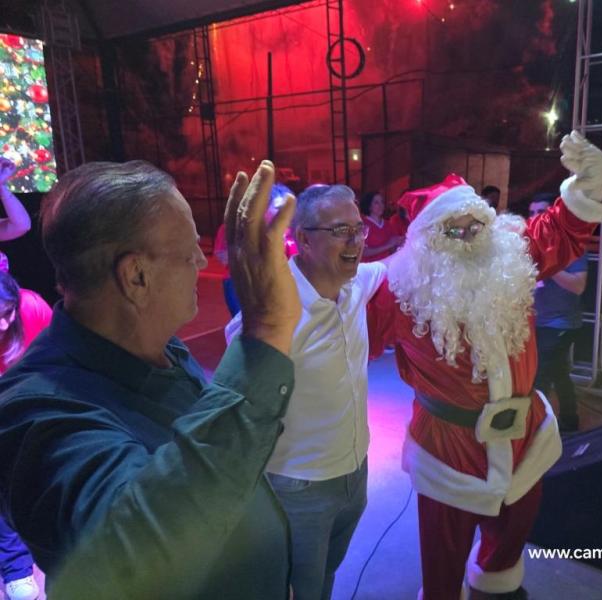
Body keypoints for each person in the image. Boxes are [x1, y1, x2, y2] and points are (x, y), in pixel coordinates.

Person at [0, 159, 301, 599]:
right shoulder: (32, 410)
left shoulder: (161, 347)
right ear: (135, 276)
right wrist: (268, 329)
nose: (201, 259)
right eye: (187, 249)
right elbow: (136, 557)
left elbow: (208, 465)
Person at [368, 131, 602, 599]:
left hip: (525, 433)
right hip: (450, 446)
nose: (468, 239)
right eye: (454, 229)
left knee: (513, 529)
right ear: (427, 240)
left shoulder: (512, 255)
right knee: (443, 550)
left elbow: (561, 230)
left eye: (476, 227)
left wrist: (590, 185)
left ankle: (495, 584)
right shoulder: (399, 288)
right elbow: (339, 331)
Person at [226, 184, 387, 600]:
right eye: (340, 231)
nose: (355, 242)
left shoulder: (354, 283)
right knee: (297, 589)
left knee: (325, 579)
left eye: (358, 229)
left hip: (355, 472)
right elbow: (234, 388)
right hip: (300, 487)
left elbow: (396, 266)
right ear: (303, 239)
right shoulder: (276, 309)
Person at [0, 271, 52, 600]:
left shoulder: (31, 305)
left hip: (33, 407)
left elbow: (59, 358)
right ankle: (15, 567)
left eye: (7, 313)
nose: (5, 326)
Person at [529, 194, 588, 433]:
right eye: (532, 213)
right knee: (559, 372)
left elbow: (579, 285)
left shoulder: (570, 245)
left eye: (541, 211)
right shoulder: (530, 244)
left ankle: (536, 430)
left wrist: (548, 266)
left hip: (561, 323)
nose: (536, 217)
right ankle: (570, 419)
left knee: (539, 376)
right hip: (538, 321)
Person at [214, 181, 296, 316]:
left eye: (288, 208)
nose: (285, 213)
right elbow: (223, 254)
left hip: (275, 283)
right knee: (247, 323)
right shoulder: (238, 227)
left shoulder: (288, 233)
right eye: (278, 207)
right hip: (242, 283)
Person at [359, 191, 403, 261]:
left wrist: (399, 242)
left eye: (382, 202)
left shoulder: (388, 224)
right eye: (376, 203)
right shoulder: (362, 224)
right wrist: (388, 245)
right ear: (369, 206)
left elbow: (393, 249)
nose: (381, 205)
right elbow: (362, 251)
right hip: (369, 268)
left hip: (385, 266)